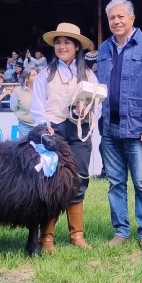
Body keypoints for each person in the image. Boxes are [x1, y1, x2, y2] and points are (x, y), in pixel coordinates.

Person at [95, 0, 142, 251]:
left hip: (138, 129)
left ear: (132, 19)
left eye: (120, 17)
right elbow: (97, 88)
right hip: (109, 128)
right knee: (115, 182)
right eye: (112, 18)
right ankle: (121, 231)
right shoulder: (103, 50)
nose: (116, 21)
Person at [32, 22, 98, 252]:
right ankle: (47, 237)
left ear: (77, 47)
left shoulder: (88, 75)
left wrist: (87, 110)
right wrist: (45, 126)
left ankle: (76, 235)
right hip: (55, 132)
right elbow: (37, 106)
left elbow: (96, 105)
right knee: (52, 181)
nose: (62, 46)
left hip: (79, 131)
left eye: (67, 42)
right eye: (58, 42)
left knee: (79, 178)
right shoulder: (45, 75)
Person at [9, 67, 37, 138]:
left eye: (37, 74)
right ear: (26, 78)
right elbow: (13, 107)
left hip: (41, 126)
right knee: (25, 148)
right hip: (25, 125)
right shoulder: (17, 91)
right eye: (33, 75)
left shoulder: (43, 89)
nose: (37, 77)